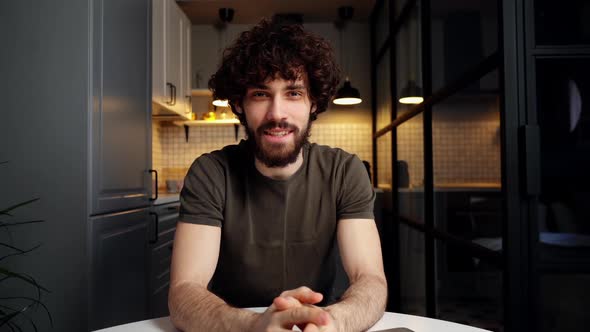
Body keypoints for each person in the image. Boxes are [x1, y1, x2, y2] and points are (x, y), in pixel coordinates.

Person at [169, 16, 387, 332]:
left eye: (294, 93)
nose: (277, 113)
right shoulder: (211, 173)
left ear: (314, 103)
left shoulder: (345, 171)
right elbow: (183, 293)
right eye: (260, 94)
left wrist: (332, 323)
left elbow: (370, 279)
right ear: (239, 103)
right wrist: (255, 325)